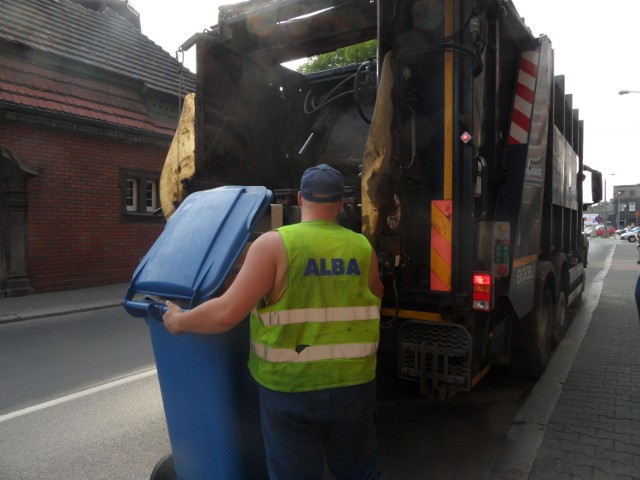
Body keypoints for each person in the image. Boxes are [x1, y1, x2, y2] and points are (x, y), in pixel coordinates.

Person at [163, 163, 385, 480]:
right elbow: (376, 295)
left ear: (298, 199)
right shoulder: (363, 248)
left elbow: (226, 313)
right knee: (360, 473)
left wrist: (180, 321)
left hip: (291, 389)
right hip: (354, 387)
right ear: (341, 204)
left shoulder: (273, 245)